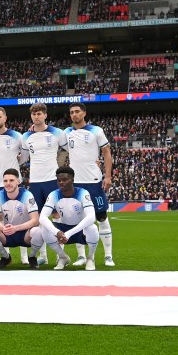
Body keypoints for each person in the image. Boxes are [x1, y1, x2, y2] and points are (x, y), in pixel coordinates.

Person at [65, 103, 115, 267]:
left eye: (77, 111)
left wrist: (107, 176)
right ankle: (81, 256)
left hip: (93, 181)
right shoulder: (66, 133)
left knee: (101, 217)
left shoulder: (96, 131)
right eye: (72, 112)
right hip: (75, 183)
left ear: (84, 113)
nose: (74, 114)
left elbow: (106, 152)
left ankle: (108, 256)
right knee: (76, 219)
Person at [22, 103, 67, 265]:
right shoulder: (25, 136)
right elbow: (23, 158)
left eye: (39, 114)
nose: (36, 116)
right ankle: (43, 256)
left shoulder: (57, 133)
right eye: (34, 114)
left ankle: (60, 255)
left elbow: (70, 149)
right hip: (35, 181)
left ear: (45, 115)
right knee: (39, 218)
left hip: (52, 180)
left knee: (56, 215)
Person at [0, 106, 30, 261]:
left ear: (5, 118)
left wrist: (15, 165)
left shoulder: (17, 136)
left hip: (15, 182)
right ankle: (5, 254)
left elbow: (24, 155)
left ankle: (24, 255)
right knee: (1, 219)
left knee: (21, 216)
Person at [38, 166, 99, 270]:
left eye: (65, 179)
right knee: (45, 229)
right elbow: (42, 217)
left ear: (72, 180)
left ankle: (90, 258)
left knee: (93, 228)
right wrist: (57, 232)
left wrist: (69, 233)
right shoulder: (53, 194)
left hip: (80, 230)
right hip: (63, 228)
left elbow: (92, 216)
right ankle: (63, 257)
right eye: (59, 180)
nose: (61, 182)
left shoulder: (83, 193)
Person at [0, 168, 40, 269]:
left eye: (11, 180)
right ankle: (5, 257)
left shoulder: (27, 195)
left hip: (25, 234)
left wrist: (16, 228)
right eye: (5, 181)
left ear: (18, 181)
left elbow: (35, 220)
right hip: (7, 233)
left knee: (38, 231)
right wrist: (3, 228)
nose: (8, 183)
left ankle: (32, 256)